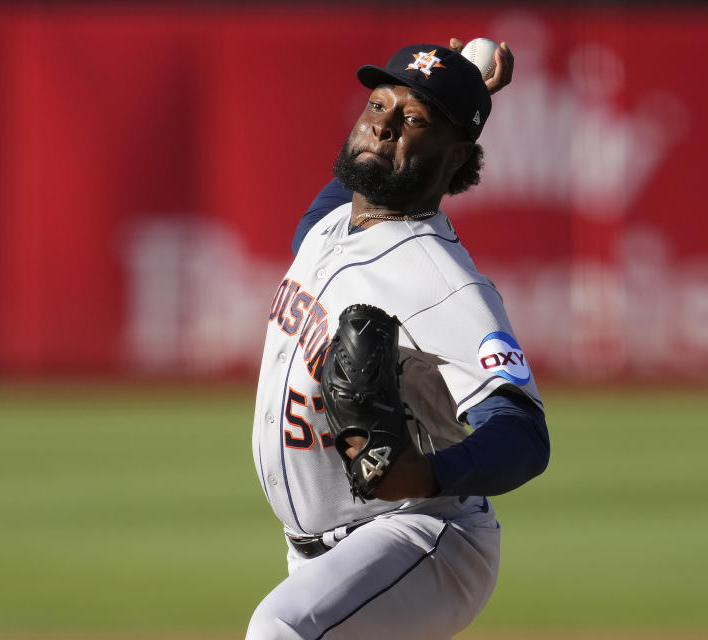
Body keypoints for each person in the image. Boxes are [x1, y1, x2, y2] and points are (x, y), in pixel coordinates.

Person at [247, 40, 550, 640]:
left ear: (455, 156)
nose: (382, 126)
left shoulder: (443, 283)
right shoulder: (335, 227)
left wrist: (426, 474)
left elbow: (523, 434)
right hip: (327, 549)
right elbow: (355, 187)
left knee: (282, 630)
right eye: (378, 105)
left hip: (422, 535)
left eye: (412, 121)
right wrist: (468, 94)